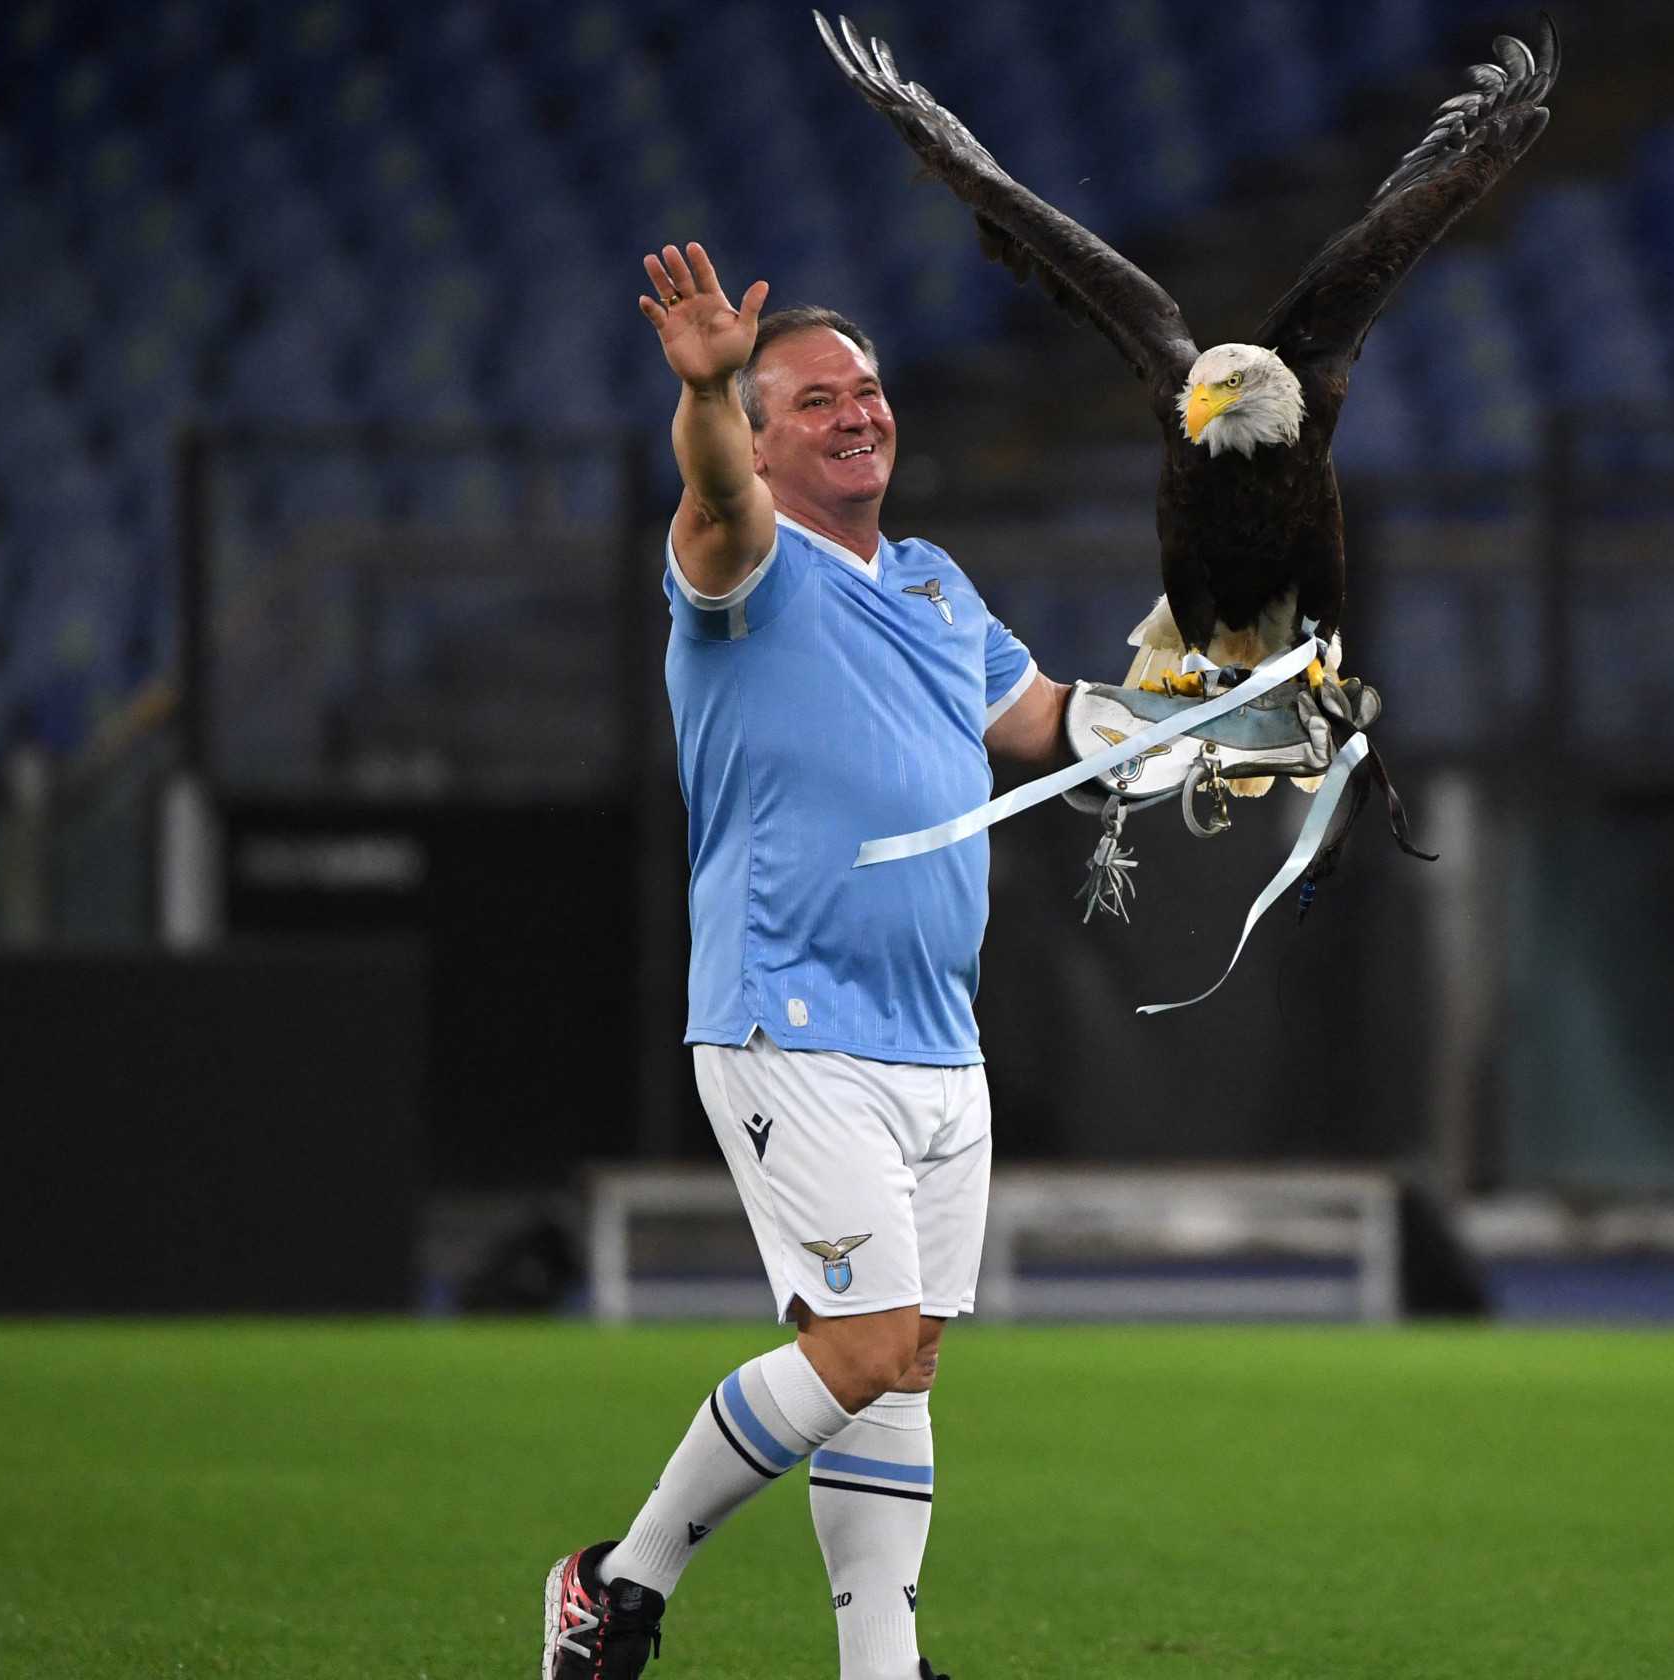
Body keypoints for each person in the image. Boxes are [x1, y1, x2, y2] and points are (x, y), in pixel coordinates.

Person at [537, 241, 1079, 1680]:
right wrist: (707, 390)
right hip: (792, 1021)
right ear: (764, 436)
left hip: (934, 1040)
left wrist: (1218, 720)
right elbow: (713, 486)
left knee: (896, 1361)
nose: (859, 411)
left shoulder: (937, 587)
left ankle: (879, 1671)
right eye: (817, 397)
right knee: (859, 1346)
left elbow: (1051, 727)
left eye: (872, 389)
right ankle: (616, 1585)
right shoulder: (744, 561)